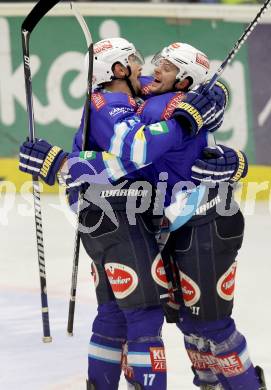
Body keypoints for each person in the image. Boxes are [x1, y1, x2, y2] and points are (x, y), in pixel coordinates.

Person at [19, 38, 223, 390]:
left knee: (114, 312)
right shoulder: (110, 104)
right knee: (145, 309)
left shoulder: (128, 88)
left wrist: (215, 98)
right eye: (135, 60)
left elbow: (194, 85)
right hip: (111, 210)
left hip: (114, 208)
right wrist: (184, 124)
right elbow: (137, 149)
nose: (144, 67)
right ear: (117, 69)